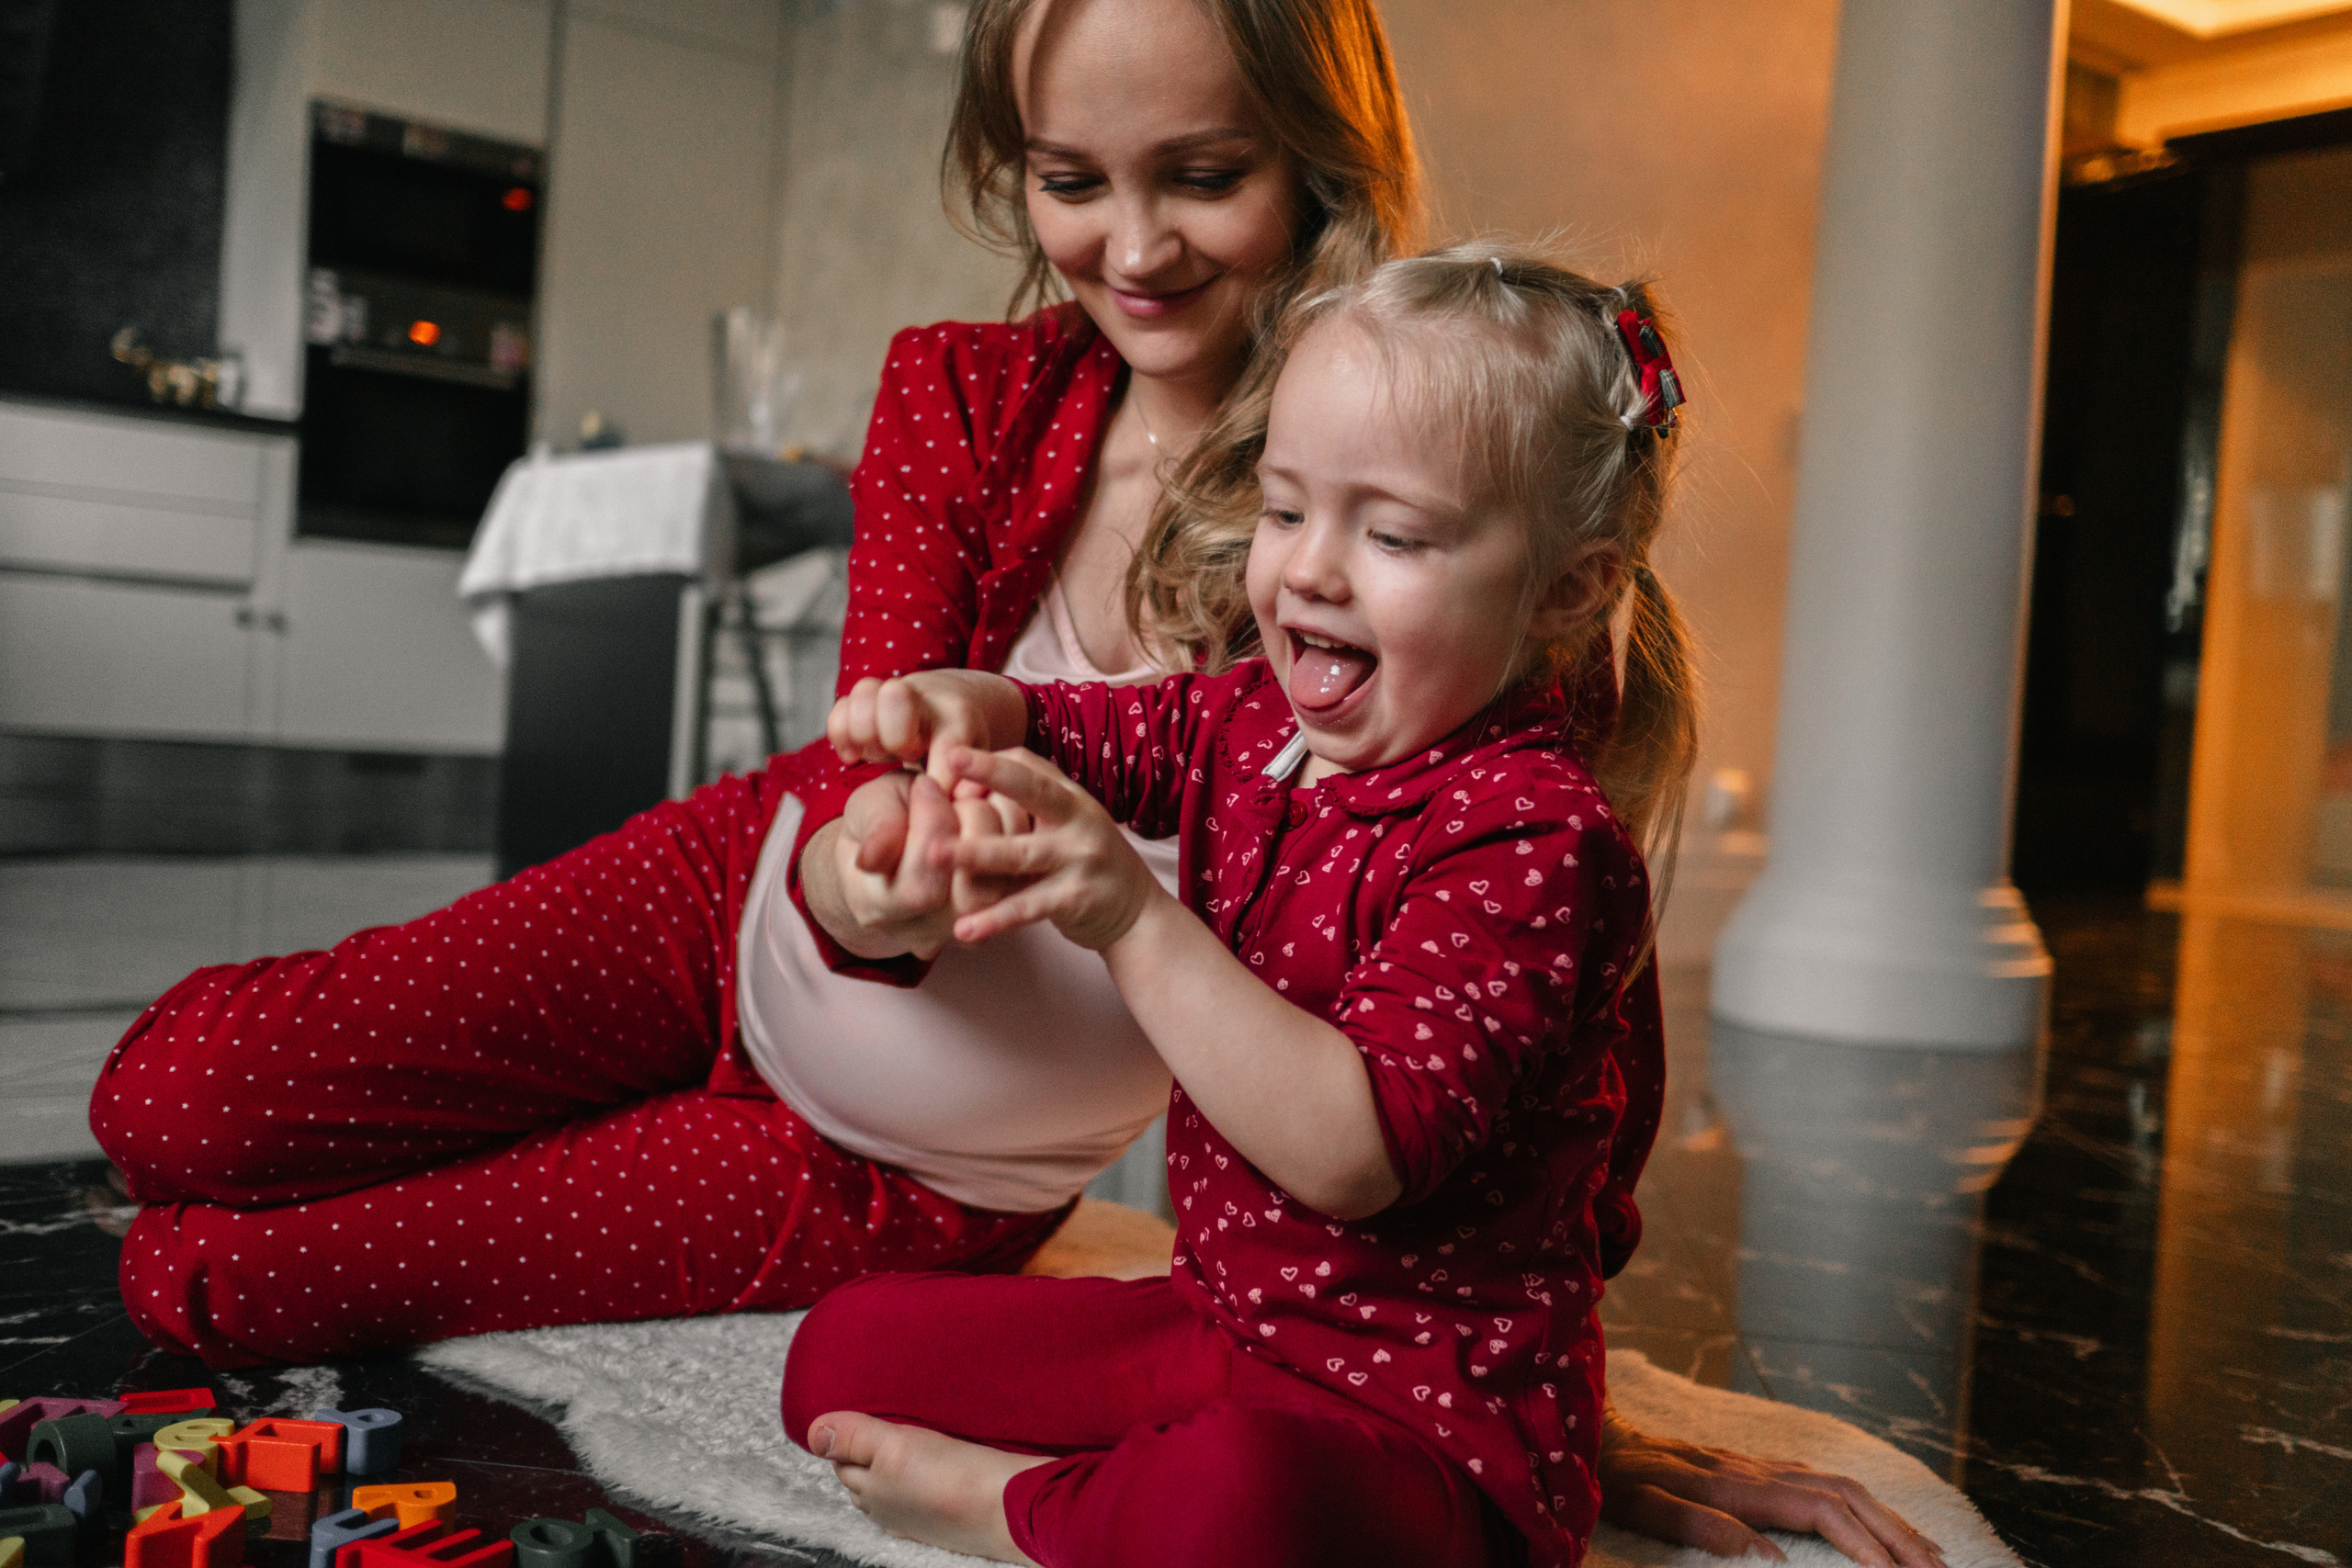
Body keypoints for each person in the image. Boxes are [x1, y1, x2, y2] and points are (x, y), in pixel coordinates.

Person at [88, 0, 1930, 1559]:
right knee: (167, 1097)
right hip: (726, 905)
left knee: (211, 1284)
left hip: (889, 1167)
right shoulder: (962, 398)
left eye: (1198, 175)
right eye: (1071, 180)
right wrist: (857, 870)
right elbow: (876, 737)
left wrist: (1557, 1390)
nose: (1130, 244)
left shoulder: (1448, 536)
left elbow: (1558, 1030)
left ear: (1314, 163)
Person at [782, 248, 1947, 1568]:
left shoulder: (1535, 838)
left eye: (1391, 535)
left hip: (1435, 1437)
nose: (1309, 574)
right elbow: (1087, 728)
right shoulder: (1256, 721)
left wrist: (1128, 918)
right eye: (1285, 511)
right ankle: (1135, 1496)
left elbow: (1351, 1149)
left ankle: (1017, 1519)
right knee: (842, 1355)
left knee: (1235, 1503)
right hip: (1228, 1334)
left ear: (1568, 588)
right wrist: (972, 706)